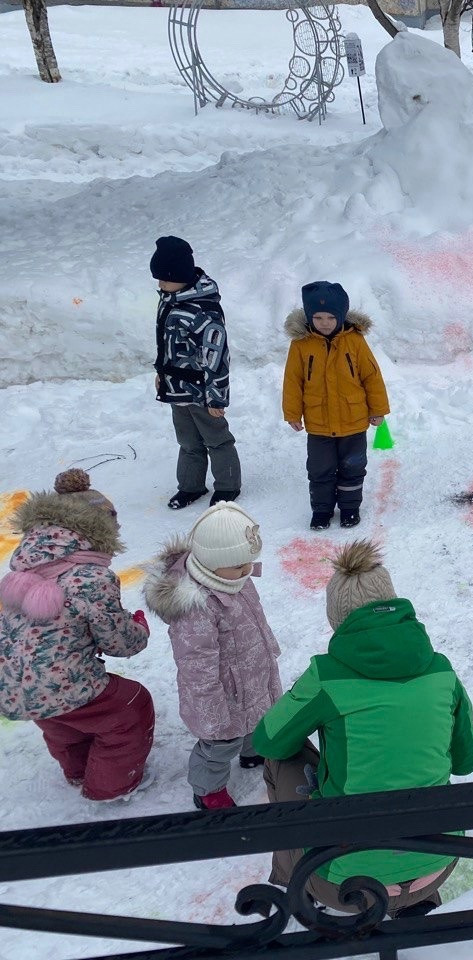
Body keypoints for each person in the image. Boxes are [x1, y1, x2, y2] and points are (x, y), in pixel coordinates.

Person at [253, 540, 473, 918]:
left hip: (342, 880)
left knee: (282, 761)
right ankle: (415, 895)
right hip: (439, 862)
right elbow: (465, 763)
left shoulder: (327, 677)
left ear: (338, 619)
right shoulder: (442, 671)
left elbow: (269, 741)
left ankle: (295, 877)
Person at [0, 469, 154, 801]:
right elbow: (119, 641)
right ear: (95, 530)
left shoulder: (25, 566)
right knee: (130, 707)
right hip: (58, 684)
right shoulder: (91, 577)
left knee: (60, 720)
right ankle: (110, 787)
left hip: (14, 684)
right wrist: (139, 627)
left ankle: (78, 768)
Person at [143, 502, 281, 809]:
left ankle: (252, 751)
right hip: (220, 695)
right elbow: (197, 668)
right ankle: (208, 790)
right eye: (238, 565)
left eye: (249, 562)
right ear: (210, 561)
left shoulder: (232, 578)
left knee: (257, 720)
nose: (247, 570)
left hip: (252, 674)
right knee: (219, 745)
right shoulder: (196, 608)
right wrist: (212, 712)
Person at [282, 282, 390, 531]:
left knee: (353, 467)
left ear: (341, 316)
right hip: (318, 423)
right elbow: (292, 380)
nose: (325, 322)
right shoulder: (301, 344)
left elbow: (372, 377)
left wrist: (378, 409)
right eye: (318, 317)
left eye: (331, 317)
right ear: (309, 317)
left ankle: (350, 508)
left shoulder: (355, 341)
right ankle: (321, 510)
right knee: (319, 470)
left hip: (353, 420)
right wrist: (292, 413)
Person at [151, 236, 242, 510]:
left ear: (180, 275)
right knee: (188, 441)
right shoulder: (170, 300)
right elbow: (165, 343)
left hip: (202, 391)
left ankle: (228, 486)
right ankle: (190, 486)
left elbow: (217, 356)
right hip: (176, 388)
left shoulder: (204, 310)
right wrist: (162, 374)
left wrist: (217, 397)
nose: (160, 285)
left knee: (216, 439)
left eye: (164, 279)